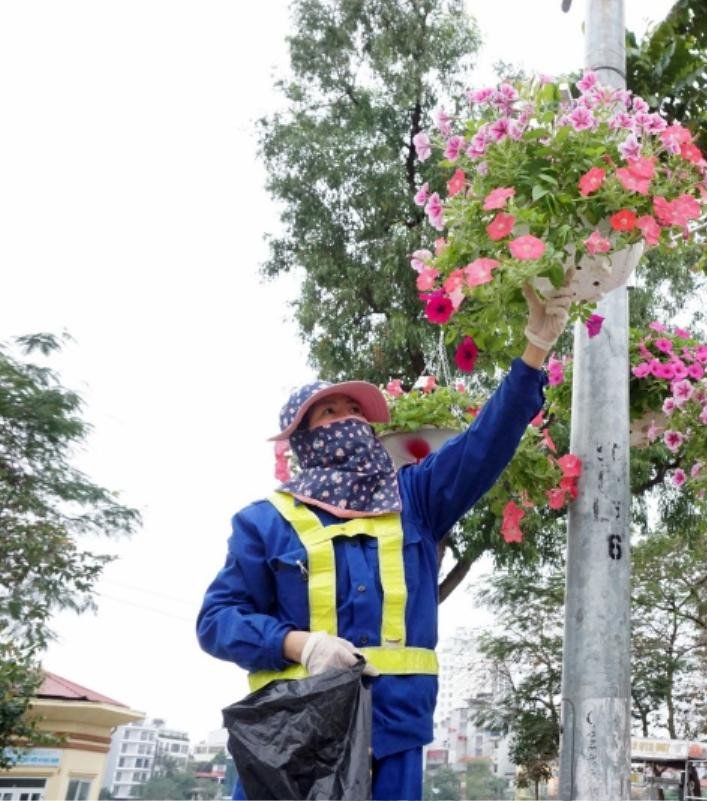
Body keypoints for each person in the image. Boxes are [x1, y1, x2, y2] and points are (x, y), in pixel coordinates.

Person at [197, 287, 571, 800]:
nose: (346, 418)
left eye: (355, 410)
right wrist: (300, 645)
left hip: (394, 734)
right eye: (329, 413)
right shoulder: (265, 522)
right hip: (288, 736)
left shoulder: (414, 498)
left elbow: (483, 444)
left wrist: (535, 348)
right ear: (303, 438)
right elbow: (217, 622)